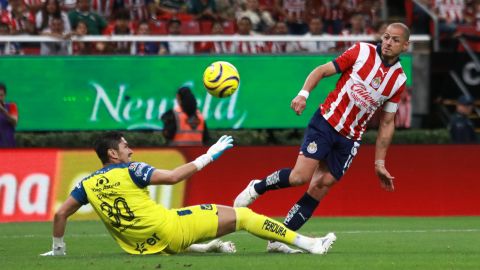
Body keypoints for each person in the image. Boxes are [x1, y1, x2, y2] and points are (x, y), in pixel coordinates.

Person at [234, 22, 411, 253]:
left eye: (395, 40)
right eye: (386, 37)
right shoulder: (361, 51)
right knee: (300, 177)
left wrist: (379, 162)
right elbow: (321, 71)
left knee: (321, 186)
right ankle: (257, 187)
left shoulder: (398, 79)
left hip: (350, 139)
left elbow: (387, 123)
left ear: (405, 45)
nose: (388, 42)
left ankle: (279, 238)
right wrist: (303, 95)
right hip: (326, 122)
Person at [40, 132, 336, 256]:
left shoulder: (87, 184)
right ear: (112, 154)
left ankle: (209, 247)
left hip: (145, 246)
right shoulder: (129, 169)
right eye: (125, 146)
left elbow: (60, 213)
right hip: (171, 230)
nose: (131, 150)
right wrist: (210, 155)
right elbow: (172, 177)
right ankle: (310, 244)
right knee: (244, 216)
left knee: (199, 220)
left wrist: (58, 249)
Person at [0, 83, 18, 147]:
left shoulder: (12, 106)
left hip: (9, 146)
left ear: (5, 95)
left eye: (1, 95)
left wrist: (4, 111)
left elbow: (15, 122)